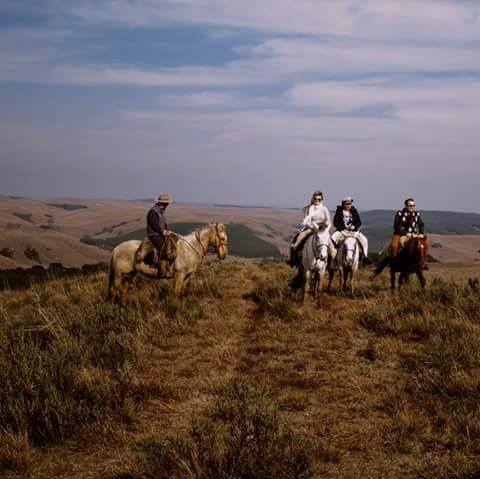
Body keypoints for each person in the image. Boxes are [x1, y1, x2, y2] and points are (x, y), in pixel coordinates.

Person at [287, 191, 331, 267]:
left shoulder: (324, 209)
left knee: (331, 247)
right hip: (310, 228)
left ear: (321, 200)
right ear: (313, 199)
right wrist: (314, 227)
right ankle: (292, 259)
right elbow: (306, 221)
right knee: (296, 242)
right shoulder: (309, 208)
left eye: (319, 199)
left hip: (322, 230)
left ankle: (331, 264)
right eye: (315, 199)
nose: (317, 200)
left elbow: (328, 221)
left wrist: (326, 230)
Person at [330, 196, 369, 263]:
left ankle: (365, 256)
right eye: (347, 204)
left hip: (353, 231)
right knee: (332, 239)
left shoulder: (354, 211)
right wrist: (342, 228)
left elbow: (359, 222)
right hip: (342, 231)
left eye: (350, 203)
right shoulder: (339, 211)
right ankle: (332, 257)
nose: (348, 205)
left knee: (364, 240)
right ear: (343, 204)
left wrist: (354, 226)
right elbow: (335, 222)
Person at [146, 193, 175, 277]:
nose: (167, 205)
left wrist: (167, 231)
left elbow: (163, 225)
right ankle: (161, 270)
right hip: (154, 235)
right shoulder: (153, 212)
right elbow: (154, 225)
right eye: (166, 203)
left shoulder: (161, 212)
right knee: (164, 249)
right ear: (162, 203)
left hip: (160, 234)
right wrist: (162, 232)